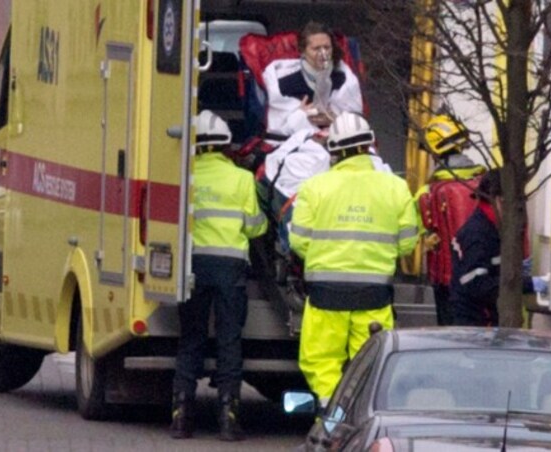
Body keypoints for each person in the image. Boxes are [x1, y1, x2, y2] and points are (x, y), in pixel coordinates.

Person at [288, 112, 418, 406]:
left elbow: (298, 241)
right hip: (374, 296)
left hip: (325, 296)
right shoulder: (396, 188)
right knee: (371, 364)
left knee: (321, 361)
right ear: (369, 145)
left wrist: (326, 258)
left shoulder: (313, 188)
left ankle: (331, 417)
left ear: (333, 150)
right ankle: (360, 416)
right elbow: (408, 243)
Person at [170, 111, 267, 441]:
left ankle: (181, 417)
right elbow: (255, 227)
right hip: (230, 270)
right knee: (229, 341)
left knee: (192, 338)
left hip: (194, 265)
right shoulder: (241, 179)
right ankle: (228, 419)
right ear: (227, 145)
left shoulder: (187, 176)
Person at [448, 169, 548, 326]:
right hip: (478, 324)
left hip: (481, 320)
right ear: (500, 200)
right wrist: (528, 284)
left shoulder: (491, 227)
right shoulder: (478, 233)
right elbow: (478, 285)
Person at [413, 114, 486, 326]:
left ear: (435, 154)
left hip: (448, 284)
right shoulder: (487, 186)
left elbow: (414, 237)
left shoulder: (428, 193)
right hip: (486, 281)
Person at [262, 21, 363, 143]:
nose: (323, 53)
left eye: (327, 47)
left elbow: (358, 124)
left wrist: (334, 120)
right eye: (316, 48)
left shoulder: (344, 80)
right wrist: (300, 116)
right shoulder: (284, 84)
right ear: (302, 51)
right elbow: (277, 129)